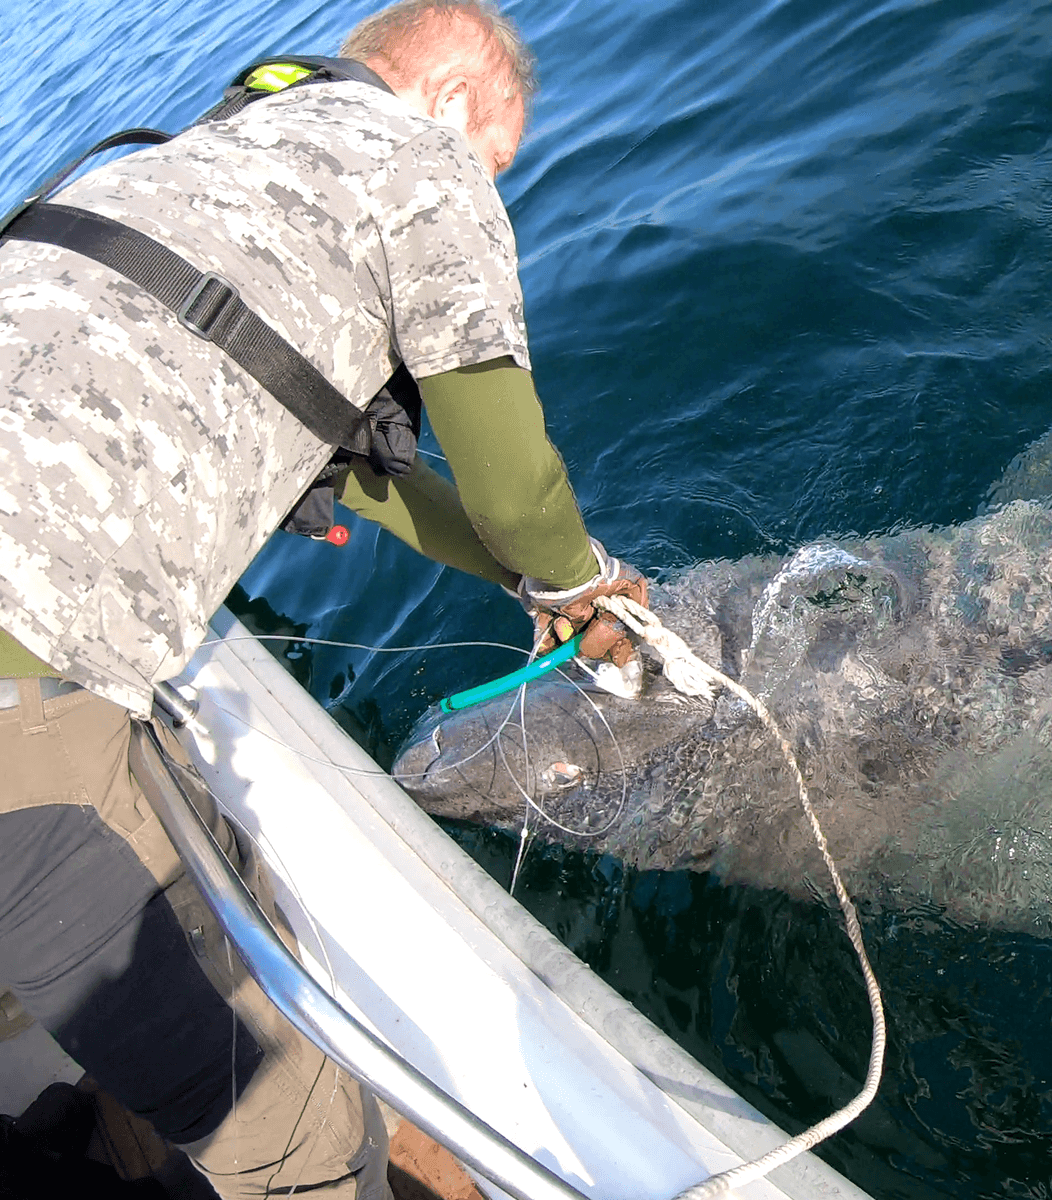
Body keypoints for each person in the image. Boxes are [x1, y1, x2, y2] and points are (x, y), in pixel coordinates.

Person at [0, 2, 644, 1196]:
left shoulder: (200, 157)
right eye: (501, 160)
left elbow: (364, 468)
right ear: (458, 108)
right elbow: (512, 485)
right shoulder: (426, 163)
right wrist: (576, 581)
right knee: (295, 1127)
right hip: (19, 691)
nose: (493, 186)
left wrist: (522, 575)